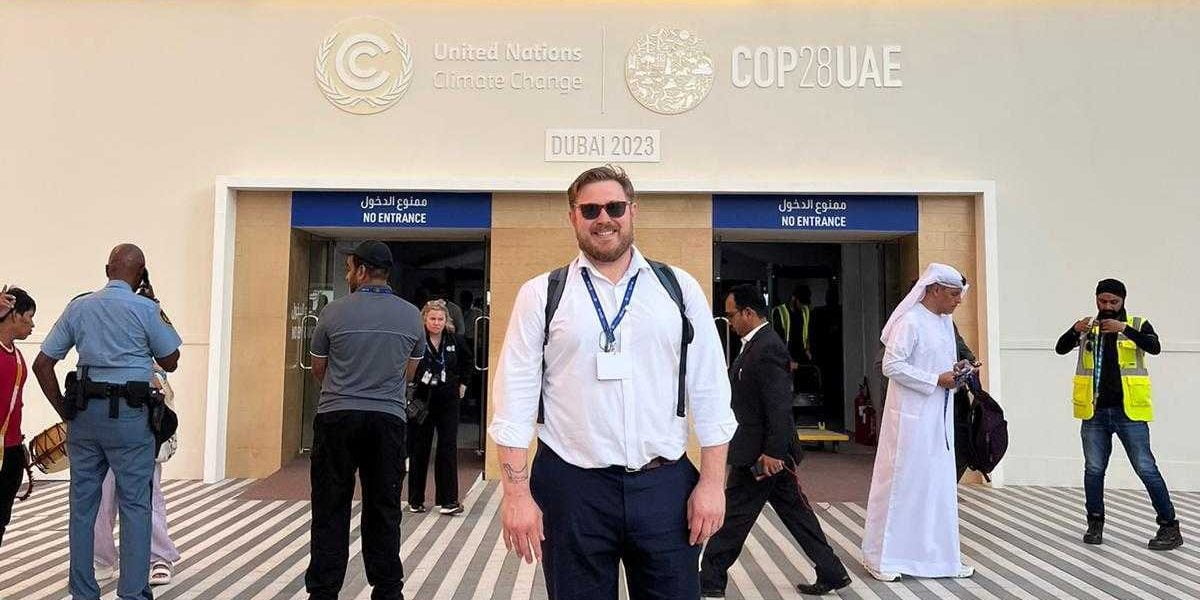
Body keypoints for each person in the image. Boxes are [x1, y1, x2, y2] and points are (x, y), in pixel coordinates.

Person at [489, 164, 737, 599]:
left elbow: (712, 393)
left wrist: (713, 484)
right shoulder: (541, 294)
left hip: (664, 488)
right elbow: (514, 400)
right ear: (573, 218)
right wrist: (516, 495)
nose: (604, 218)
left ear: (633, 211)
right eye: (590, 209)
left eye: (615, 207)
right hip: (572, 489)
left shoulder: (678, 289)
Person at [33, 244, 181, 600]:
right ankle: (132, 592)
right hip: (130, 420)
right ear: (141, 273)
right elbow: (171, 359)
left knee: (83, 506)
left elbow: (42, 364)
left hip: (85, 417)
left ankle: (83, 591)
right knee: (135, 505)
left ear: (106, 269)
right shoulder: (147, 309)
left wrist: (65, 411)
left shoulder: (79, 306)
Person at [700, 285, 850, 597]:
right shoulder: (753, 345)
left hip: (763, 455)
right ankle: (832, 571)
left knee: (736, 518)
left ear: (748, 313)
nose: (728, 321)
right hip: (757, 451)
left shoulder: (767, 348)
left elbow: (779, 404)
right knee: (796, 515)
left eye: (731, 315)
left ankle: (710, 580)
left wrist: (772, 452)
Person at [305, 240, 424, 600]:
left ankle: (324, 592)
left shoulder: (333, 312)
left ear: (359, 270)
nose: (347, 273)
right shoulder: (411, 316)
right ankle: (387, 590)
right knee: (384, 508)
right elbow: (409, 372)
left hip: (336, 417)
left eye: (348, 267)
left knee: (330, 507)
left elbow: (318, 369)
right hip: (387, 420)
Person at [861, 263, 973, 582]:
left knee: (936, 488)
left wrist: (960, 368)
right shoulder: (909, 321)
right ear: (934, 290)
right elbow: (890, 366)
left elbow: (940, 363)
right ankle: (883, 559)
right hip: (909, 421)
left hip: (939, 418)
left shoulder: (944, 321)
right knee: (901, 488)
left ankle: (938, 559)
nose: (958, 301)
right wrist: (934, 379)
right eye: (953, 295)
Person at [1055, 278, 1182, 550]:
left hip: (1130, 412)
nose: (1108, 306)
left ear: (1123, 300)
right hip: (1094, 412)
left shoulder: (1137, 324)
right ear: (1096, 300)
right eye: (1103, 301)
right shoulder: (1089, 327)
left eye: (1114, 302)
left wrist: (1124, 329)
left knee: (1146, 468)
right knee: (1094, 469)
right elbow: (1061, 348)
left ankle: (1170, 526)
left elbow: (1154, 347)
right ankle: (1095, 524)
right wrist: (1074, 329)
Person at [94, 366, 181, 585]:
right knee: (100, 498)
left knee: (148, 497)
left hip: (141, 429)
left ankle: (158, 557)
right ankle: (101, 558)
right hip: (104, 426)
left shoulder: (148, 336)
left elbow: (167, 365)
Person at [407, 299, 472, 515]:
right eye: (432, 319)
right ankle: (415, 500)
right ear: (424, 320)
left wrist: (462, 383)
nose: (436, 323)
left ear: (446, 321)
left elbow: (467, 362)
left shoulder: (455, 340)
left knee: (447, 446)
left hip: (447, 399)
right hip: (422, 399)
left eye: (440, 319)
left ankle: (448, 500)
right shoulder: (416, 340)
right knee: (420, 448)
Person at [0, 287, 35, 549]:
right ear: (13, 316)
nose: (32, 324)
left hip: (10, 451)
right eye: (29, 317)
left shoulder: (18, 355)